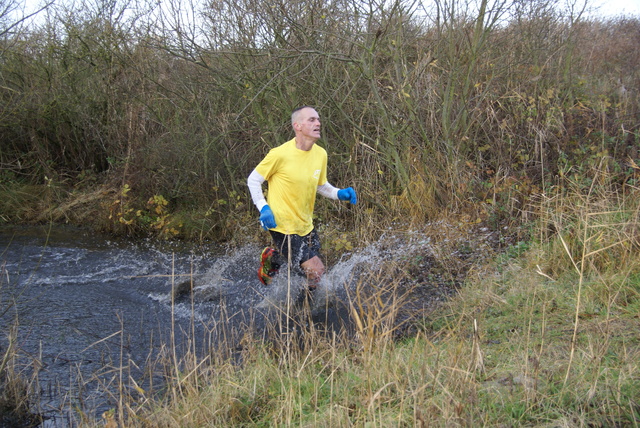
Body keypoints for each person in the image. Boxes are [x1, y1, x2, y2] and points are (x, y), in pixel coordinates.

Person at [247, 106, 357, 290]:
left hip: (306, 224)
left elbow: (320, 184)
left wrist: (339, 193)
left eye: (318, 119)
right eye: (312, 120)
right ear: (297, 125)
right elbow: (253, 180)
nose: (318, 123)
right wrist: (263, 207)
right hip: (282, 225)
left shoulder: (320, 154)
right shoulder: (279, 154)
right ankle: (301, 312)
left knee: (309, 276)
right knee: (316, 270)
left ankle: (274, 260)